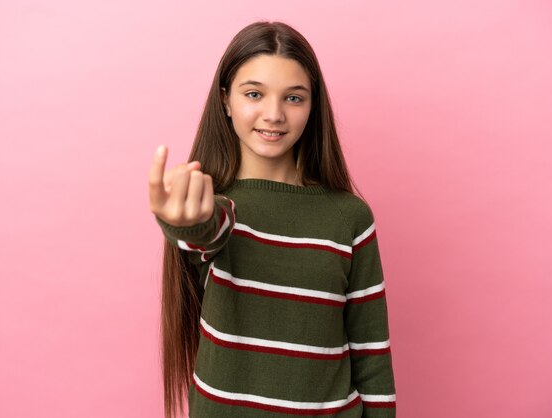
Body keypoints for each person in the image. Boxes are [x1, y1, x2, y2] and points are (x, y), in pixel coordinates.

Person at [148, 20, 396, 418]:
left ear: (313, 106)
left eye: (294, 98)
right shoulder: (219, 208)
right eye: (254, 94)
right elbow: (206, 230)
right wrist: (182, 221)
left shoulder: (349, 217)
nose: (274, 114)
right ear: (226, 101)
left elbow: (372, 353)